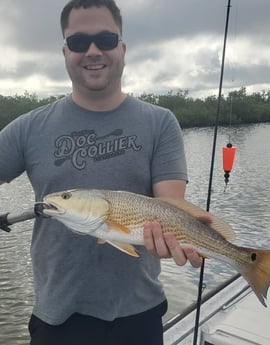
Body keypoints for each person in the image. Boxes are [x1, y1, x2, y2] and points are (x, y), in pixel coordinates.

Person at [0, 0, 202, 344]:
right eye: (79, 42)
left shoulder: (160, 122)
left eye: (105, 40)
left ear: (122, 48)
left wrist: (183, 239)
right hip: (57, 315)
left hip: (140, 313)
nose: (93, 51)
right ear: (65, 52)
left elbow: (171, 206)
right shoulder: (27, 129)